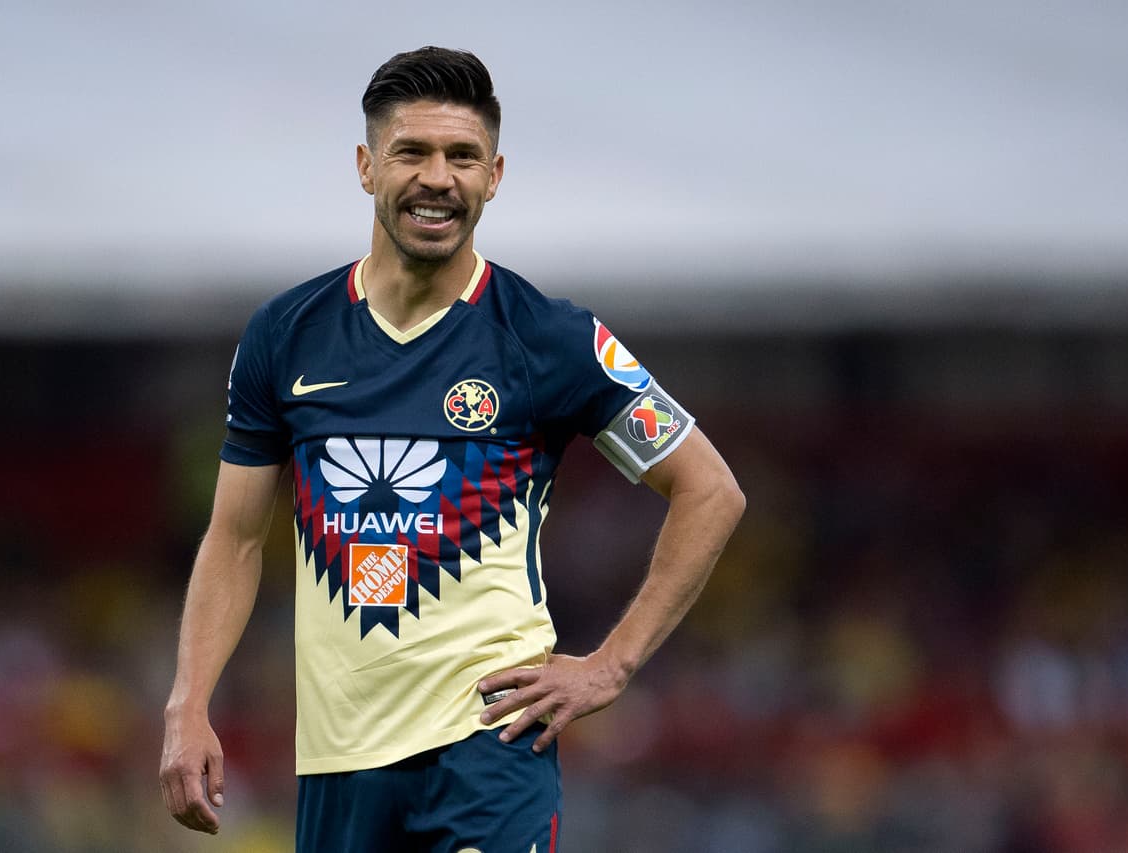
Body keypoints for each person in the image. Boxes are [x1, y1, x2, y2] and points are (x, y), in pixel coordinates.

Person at [159, 45, 744, 852]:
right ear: (366, 166)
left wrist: (611, 664)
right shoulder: (285, 335)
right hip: (338, 762)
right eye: (413, 152)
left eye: (463, 156)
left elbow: (711, 488)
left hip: (489, 752)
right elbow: (234, 538)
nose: (438, 178)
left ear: (494, 176)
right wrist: (188, 703)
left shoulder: (549, 338)